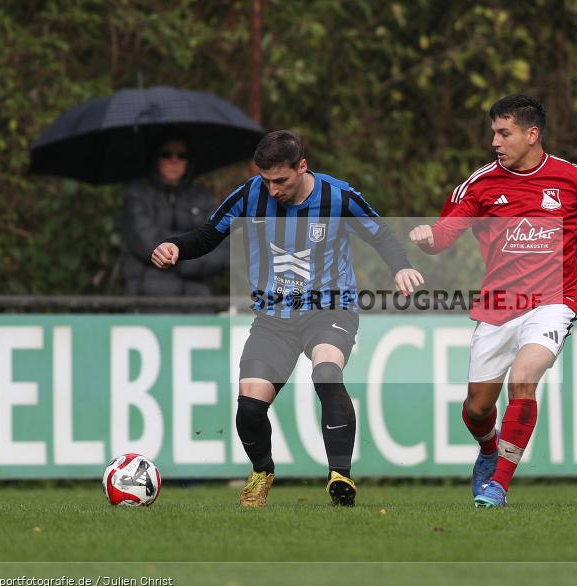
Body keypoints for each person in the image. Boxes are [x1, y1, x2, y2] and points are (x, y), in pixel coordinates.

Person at [152, 130, 424, 507]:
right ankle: (262, 471)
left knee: (326, 373)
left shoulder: (338, 196)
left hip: (329, 309)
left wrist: (401, 267)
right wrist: (176, 246)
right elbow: (209, 234)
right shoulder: (251, 195)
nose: (273, 189)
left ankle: (340, 476)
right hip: (273, 318)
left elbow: (382, 235)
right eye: (266, 180)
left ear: (302, 167)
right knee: (250, 404)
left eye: (280, 180)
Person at [410, 94, 577, 508]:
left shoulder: (573, 178)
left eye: (504, 133)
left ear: (532, 135)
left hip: (553, 301)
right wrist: (427, 239)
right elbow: (443, 236)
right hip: (498, 306)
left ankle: (498, 486)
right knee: (478, 408)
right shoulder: (480, 184)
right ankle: (488, 448)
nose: (495, 142)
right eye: (494, 133)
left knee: (523, 378)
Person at [120, 134, 229, 297]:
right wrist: (192, 249)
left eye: (182, 155)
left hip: (197, 302)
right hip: (146, 300)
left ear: (189, 161)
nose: (174, 160)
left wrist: (184, 257)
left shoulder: (203, 197)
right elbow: (144, 241)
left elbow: (223, 248)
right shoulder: (136, 194)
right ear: (155, 158)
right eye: (166, 154)